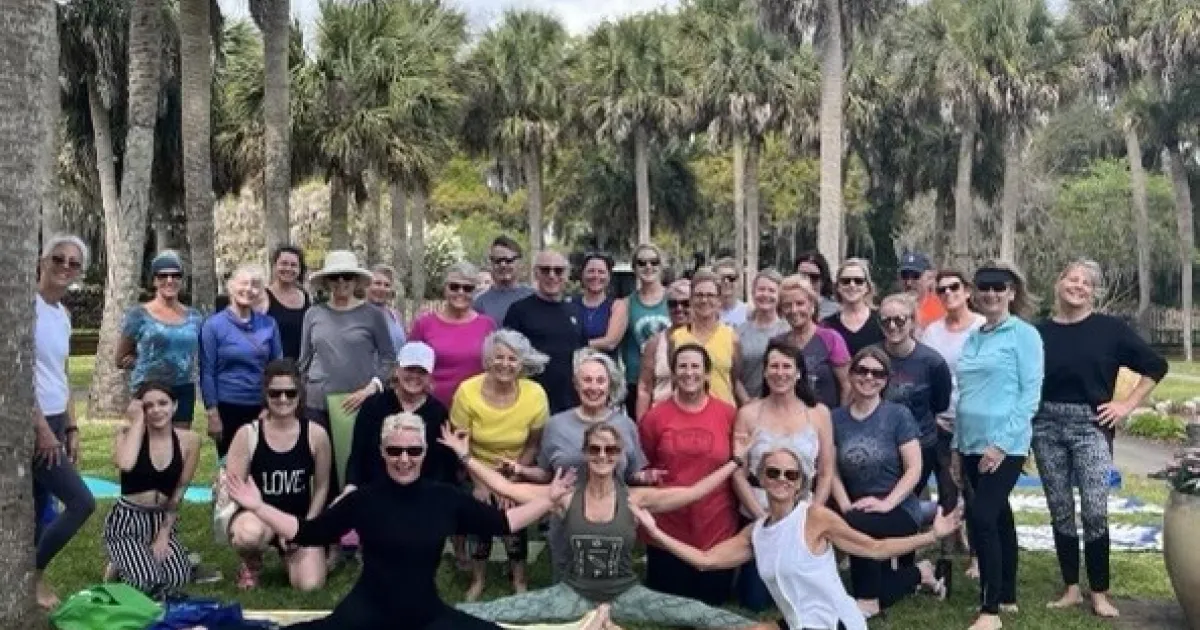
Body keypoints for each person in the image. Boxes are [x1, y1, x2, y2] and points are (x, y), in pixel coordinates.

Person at [224, 412, 576, 630]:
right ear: (382, 452)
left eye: (413, 450)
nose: (404, 458)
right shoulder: (363, 499)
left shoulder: (444, 498)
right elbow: (309, 532)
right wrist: (257, 505)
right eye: (394, 450)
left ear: (424, 452)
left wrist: (549, 498)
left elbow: (504, 523)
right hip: (364, 613)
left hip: (426, 615)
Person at [444, 423, 758, 628]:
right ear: (585, 453)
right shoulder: (564, 496)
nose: (602, 456)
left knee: (698, 614)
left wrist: (736, 462)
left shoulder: (636, 498)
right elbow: (508, 489)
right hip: (572, 593)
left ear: (620, 456)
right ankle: (428, 617)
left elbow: (693, 493)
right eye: (595, 449)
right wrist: (465, 456)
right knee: (490, 612)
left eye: (610, 450)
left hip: (626, 594)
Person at [634, 445, 964, 630]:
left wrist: (932, 535)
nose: (781, 479)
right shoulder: (757, 532)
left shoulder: (815, 518)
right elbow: (705, 560)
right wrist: (654, 531)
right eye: (773, 472)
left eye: (790, 474)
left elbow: (874, 548)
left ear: (799, 482)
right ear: (761, 478)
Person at [1034, 259, 1168, 618]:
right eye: (1071, 279)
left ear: (1093, 292)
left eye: (1086, 282)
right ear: (1058, 283)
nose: (1077, 286)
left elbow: (1157, 366)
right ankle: (1071, 589)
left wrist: (1125, 405)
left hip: (1091, 426)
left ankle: (1100, 592)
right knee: (1060, 510)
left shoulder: (1110, 330)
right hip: (1045, 426)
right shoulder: (1039, 332)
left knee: (1094, 510)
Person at [503, 350, 656, 578]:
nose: (593, 387)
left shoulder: (626, 426)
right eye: (587, 380)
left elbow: (631, 475)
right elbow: (547, 475)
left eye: (600, 380)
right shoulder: (556, 425)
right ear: (576, 384)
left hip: (613, 524)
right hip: (567, 523)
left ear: (609, 385)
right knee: (567, 595)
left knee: (610, 590)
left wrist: (646, 478)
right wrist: (521, 470)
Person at [952, 261, 1044, 630]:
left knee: (983, 517)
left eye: (999, 287)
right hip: (971, 442)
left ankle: (989, 610)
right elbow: (966, 396)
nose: (990, 294)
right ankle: (1007, 594)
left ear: (1012, 291)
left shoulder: (1023, 335)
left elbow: (1030, 395)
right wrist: (958, 449)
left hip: (1005, 444)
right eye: (984, 287)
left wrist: (1002, 445)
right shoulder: (974, 336)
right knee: (1000, 516)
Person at [832, 347, 949, 618]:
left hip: (899, 507)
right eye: (862, 370)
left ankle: (868, 600)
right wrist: (846, 505)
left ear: (885, 380)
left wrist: (886, 504)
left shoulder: (898, 415)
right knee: (857, 525)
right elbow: (832, 470)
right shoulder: (835, 418)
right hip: (857, 506)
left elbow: (914, 469)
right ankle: (920, 573)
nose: (868, 377)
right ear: (850, 375)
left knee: (857, 527)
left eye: (877, 373)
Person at [731, 339, 835, 612]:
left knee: (805, 596)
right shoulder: (748, 414)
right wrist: (761, 517)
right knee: (754, 601)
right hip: (759, 509)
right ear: (764, 372)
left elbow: (825, 472)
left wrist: (814, 513)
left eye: (786, 366)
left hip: (802, 511)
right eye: (773, 366)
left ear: (798, 372)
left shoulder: (818, 414)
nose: (780, 373)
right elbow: (738, 474)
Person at [451, 330, 551, 600]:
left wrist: (510, 485)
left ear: (522, 363)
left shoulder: (535, 394)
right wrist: (483, 484)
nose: (505, 364)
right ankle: (478, 578)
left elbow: (533, 445)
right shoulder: (467, 391)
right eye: (499, 357)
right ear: (487, 360)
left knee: (514, 515)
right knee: (483, 510)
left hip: (517, 469)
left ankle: (519, 578)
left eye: (512, 359)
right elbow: (461, 446)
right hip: (474, 466)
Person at [639, 344, 740, 606]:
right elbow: (646, 462)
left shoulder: (728, 414)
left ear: (707, 374)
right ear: (673, 374)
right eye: (682, 366)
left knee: (713, 603)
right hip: (669, 530)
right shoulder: (654, 418)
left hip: (716, 526)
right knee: (670, 608)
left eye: (695, 366)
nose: (689, 372)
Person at [224, 359, 331, 590]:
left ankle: (291, 558)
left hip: (297, 519)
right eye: (275, 393)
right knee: (249, 535)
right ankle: (251, 562)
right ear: (266, 394)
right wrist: (257, 511)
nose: (283, 399)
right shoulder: (247, 434)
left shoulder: (316, 435)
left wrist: (306, 529)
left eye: (290, 393)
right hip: (257, 516)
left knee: (309, 586)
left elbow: (322, 487)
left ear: (299, 395)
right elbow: (233, 489)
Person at [33, 235, 96, 609]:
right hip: (32, 422)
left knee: (39, 508)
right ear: (43, 261)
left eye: (74, 263)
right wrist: (41, 428)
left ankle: (26, 580)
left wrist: (71, 427)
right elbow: (14, 373)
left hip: (57, 419)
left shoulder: (63, 314)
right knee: (81, 502)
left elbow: (62, 371)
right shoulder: (22, 306)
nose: (65, 267)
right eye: (59, 258)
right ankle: (34, 573)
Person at [298, 250, 396, 491]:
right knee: (322, 466)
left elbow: (389, 359)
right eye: (335, 277)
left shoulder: (372, 315)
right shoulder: (313, 314)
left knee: (358, 466)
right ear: (327, 281)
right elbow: (304, 360)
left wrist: (371, 388)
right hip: (317, 403)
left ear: (355, 281)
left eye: (347, 277)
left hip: (359, 403)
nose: (341, 282)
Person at [105, 382, 202, 598]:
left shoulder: (190, 440)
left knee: (178, 577)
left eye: (163, 403)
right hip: (128, 520)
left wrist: (164, 534)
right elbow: (126, 463)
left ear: (175, 406)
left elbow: (179, 490)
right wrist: (138, 420)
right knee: (147, 582)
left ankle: (134, 560)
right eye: (148, 406)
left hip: (159, 520)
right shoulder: (127, 435)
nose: (156, 410)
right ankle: (122, 560)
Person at [347, 342, 459, 490]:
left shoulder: (438, 412)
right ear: (397, 370)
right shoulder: (373, 405)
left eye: (422, 371)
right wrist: (351, 486)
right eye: (410, 369)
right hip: (375, 489)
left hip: (424, 493)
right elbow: (358, 455)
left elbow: (444, 466)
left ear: (430, 376)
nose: (414, 376)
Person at [200, 264, 283, 458]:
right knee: (230, 469)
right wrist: (212, 414)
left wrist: (269, 407)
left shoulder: (269, 325)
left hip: (261, 407)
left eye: (255, 285)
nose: (248, 289)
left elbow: (276, 369)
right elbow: (207, 372)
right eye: (243, 283)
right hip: (227, 407)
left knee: (262, 465)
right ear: (231, 286)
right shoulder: (213, 326)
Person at [876, 294, 952, 505]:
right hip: (880, 445)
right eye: (886, 321)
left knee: (908, 502)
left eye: (899, 320)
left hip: (921, 443)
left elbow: (940, 403)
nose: (892, 326)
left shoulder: (932, 362)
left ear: (912, 321)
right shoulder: (870, 357)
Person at [117, 251, 205, 428]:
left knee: (180, 444)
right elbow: (121, 358)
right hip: (149, 390)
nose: (170, 280)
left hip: (183, 388)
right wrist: (145, 362)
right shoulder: (138, 315)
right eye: (163, 275)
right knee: (148, 446)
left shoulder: (195, 317)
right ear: (154, 280)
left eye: (176, 275)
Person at [504, 250, 587, 414]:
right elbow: (508, 357)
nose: (552, 275)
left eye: (558, 270)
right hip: (530, 401)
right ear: (536, 273)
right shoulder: (519, 310)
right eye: (545, 270)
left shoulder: (575, 311)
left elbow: (582, 355)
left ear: (567, 275)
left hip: (570, 402)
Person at [409, 262, 497, 407]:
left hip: (475, 407)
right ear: (445, 289)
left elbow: (494, 368)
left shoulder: (487, 325)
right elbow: (409, 368)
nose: (460, 292)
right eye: (454, 286)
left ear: (474, 292)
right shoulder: (424, 324)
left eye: (467, 288)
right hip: (431, 406)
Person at [776, 275, 850, 409]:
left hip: (826, 421)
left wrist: (841, 421)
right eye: (787, 305)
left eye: (800, 303)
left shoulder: (831, 339)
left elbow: (847, 386)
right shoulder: (778, 343)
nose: (794, 310)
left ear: (811, 305)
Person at [670, 270, 742, 406]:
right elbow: (675, 380)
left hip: (723, 413)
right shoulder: (676, 338)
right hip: (687, 411)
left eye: (710, 295)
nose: (704, 300)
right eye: (699, 295)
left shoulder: (732, 338)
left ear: (719, 300)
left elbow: (734, 379)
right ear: (691, 300)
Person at [620, 244, 671, 418]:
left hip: (670, 379)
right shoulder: (626, 304)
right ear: (634, 268)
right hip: (636, 381)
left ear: (661, 266)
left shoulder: (675, 300)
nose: (648, 267)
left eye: (654, 262)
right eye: (642, 263)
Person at [735, 270, 790, 400]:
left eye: (771, 290)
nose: (765, 294)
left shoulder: (788, 330)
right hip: (747, 403)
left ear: (779, 296)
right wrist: (747, 403)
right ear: (753, 293)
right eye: (761, 289)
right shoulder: (739, 332)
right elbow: (734, 376)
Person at [822, 259, 884, 357]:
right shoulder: (826, 325)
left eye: (858, 281)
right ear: (838, 287)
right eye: (846, 281)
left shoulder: (882, 320)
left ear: (867, 287)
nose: (852, 285)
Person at [573, 252, 628, 360]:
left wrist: (577, 345)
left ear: (609, 276)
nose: (596, 276)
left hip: (605, 369)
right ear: (582, 275)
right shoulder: (569, 304)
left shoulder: (617, 306)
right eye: (591, 271)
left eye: (601, 272)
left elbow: (610, 343)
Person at [475, 235, 534, 324]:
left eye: (508, 260)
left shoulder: (533, 297)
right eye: (497, 261)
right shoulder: (480, 303)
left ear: (520, 263)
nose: (503, 265)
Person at [266, 245, 311, 360]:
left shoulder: (306, 297)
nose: (288, 269)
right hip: (271, 369)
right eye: (284, 263)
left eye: (293, 265)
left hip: (300, 369)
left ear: (300, 269)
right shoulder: (263, 297)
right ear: (275, 266)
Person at [367, 264, 407, 354]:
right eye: (377, 283)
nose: (382, 288)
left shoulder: (396, 316)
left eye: (387, 285)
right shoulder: (357, 314)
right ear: (367, 285)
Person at [898, 252, 944, 330]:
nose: (909, 283)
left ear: (930, 278)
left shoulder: (943, 307)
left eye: (916, 276)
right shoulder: (892, 308)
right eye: (904, 276)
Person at [795, 251, 839, 320]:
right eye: (802, 276)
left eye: (814, 277)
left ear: (823, 279)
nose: (807, 281)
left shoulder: (836, 311)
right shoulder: (786, 306)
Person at [714, 258, 749, 327]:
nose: (727, 282)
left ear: (738, 281)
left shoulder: (749, 314)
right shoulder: (707, 311)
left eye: (731, 278)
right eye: (722, 278)